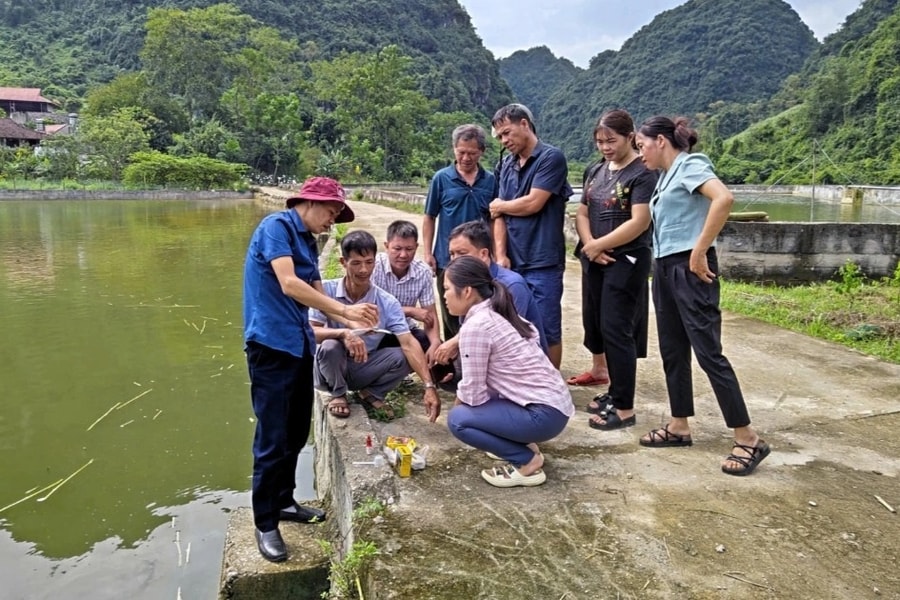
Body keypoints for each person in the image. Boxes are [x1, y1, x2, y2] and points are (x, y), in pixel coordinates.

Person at [243, 176, 379, 563]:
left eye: (337, 216)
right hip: (270, 345)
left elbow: (317, 292)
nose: (332, 222)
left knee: (296, 429)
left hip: (299, 343)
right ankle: (265, 521)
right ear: (310, 202)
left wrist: (350, 324)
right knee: (272, 435)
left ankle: (284, 501)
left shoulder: (305, 240)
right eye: (332, 212)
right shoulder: (276, 228)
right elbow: (289, 284)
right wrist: (345, 311)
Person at [634, 115, 770, 476]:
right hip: (664, 269)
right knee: (672, 351)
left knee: (709, 353)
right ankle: (679, 425)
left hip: (690, 268)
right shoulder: (664, 178)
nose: (640, 153)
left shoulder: (690, 165)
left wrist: (698, 251)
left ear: (661, 141)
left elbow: (723, 199)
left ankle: (748, 438)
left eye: (642, 145)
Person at [443, 256, 574, 488]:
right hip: (554, 406)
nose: (444, 296)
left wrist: (466, 418)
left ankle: (527, 461)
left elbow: (472, 392)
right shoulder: (497, 311)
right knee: (476, 410)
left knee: (459, 420)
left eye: (447, 289)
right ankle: (524, 446)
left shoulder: (476, 326)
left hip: (543, 415)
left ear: (467, 292)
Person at [574, 110, 658, 431]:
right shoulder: (595, 170)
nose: (605, 147)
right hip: (595, 258)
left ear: (630, 136)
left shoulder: (643, 173)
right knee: (598, 324)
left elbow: (640, 222)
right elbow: (582, 212)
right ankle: (613, 391)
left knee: (617, 329)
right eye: (599, 142)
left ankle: (624, 408)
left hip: (627, 261)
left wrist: (599, 245)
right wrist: (590, 244)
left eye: (611, 140)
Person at [310, 230, 441, 423]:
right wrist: (343, 333)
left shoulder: (386, 302)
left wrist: (429, 386)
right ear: (343, 262)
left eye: (369, 262)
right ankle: (338, 393)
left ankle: (371, 393)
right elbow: (311, 331)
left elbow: (408, 343)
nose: (363, 270)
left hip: (364, 367)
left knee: (407, 352)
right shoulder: (326, 291)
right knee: (331, 345)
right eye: (356, 263)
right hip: (327, 370)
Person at [489, 103, 571, 368]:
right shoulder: (506, 165)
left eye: (507, 132)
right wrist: (500, 255)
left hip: (543, 262)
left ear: (524, 124)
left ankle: (550, 390)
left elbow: (533, 203)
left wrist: (500, 205)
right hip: (512, 262)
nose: (504, 140)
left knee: (547, 327)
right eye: (500, 136)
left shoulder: (551, 158)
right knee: (513, 326)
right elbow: (496, 216)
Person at [423, 124, 495, 340]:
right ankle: (455, 368)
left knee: (481, 311)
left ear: (481, 152)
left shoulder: (491, 181)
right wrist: (428, 253)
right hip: (447, 260)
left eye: (472, 153)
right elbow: (429, 217)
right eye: (461, 152)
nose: (466, 158)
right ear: (454, 149)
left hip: (479, 262)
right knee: (451, 314)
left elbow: (495, 220)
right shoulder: (441, 179)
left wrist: (496, 253)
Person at [371, 220, 441, 357]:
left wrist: (435, 343)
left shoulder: (423, 272)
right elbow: (367, 310)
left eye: (409, 249)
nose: (403, 255)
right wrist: (409, 311)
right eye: (397, 249)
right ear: (386, 246)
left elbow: (429, 314)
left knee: (442, 357)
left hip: (406, 330)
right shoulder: (373, 266)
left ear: (416, 247)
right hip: (374, 331)